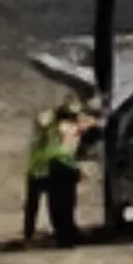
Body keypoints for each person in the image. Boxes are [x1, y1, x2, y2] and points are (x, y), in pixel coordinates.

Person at [44, 100, 90, 248]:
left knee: (58, 202)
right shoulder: (69, 127)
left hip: (56, 165)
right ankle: (66, 236)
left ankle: (63, 234)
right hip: (64, 166)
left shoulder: (53, 129)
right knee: (66, 203)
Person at [22, 107, 58, 242]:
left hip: (44, 173)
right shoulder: (41, 136)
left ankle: (31, 231)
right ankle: (29, 231)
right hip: (38, 173)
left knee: (49, 204)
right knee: (34, 205)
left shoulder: (47, 135)